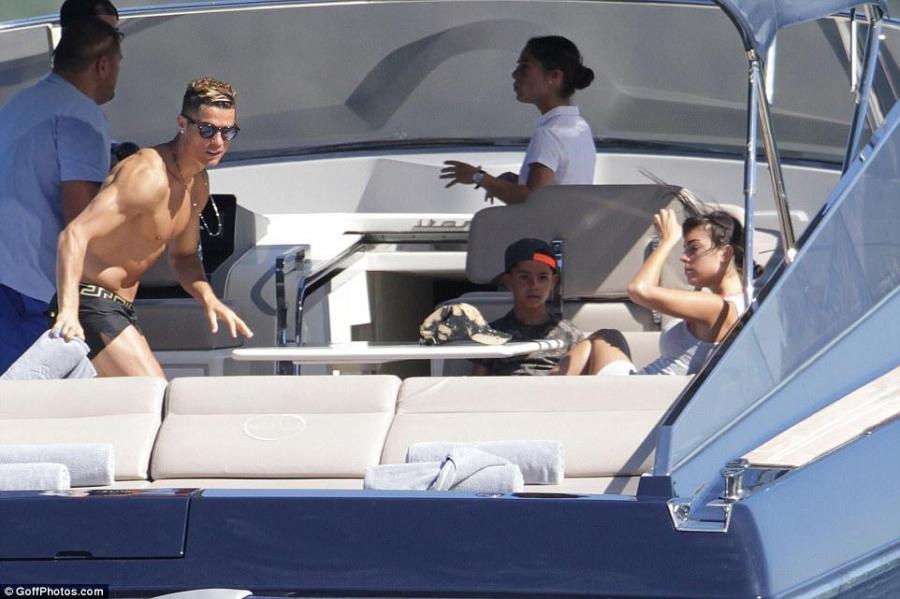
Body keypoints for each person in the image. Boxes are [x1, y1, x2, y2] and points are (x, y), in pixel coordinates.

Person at [52, 78, 253, 376]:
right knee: (155, 391)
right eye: (207, 130)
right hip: (90, 301)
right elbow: (74, 234)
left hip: (121, 308)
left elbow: (184, 257)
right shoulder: (147, 174)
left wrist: (209, 298)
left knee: (134, 399)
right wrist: (68, 310)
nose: (218, 142)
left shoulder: (197, 183)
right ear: (182, 124)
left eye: (228, 132)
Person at [0, 17, 123, 374]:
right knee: (28, 401)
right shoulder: (81, 118)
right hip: (33, 293)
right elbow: (81, 221)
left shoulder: (20, 104)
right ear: (103, 65)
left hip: (6, 278)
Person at [583, 209, 748, 376]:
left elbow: (639, 290)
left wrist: (667, 241)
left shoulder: (719, 308)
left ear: (725, 254)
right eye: (685, 249)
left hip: (645, 390)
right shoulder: (729, 303)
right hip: (645, 384)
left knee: (601, 339)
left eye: (694, 248)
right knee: (606, 337)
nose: (684, 257)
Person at [440, 35, 595, 204]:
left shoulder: (549, 134)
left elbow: (533, 197)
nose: (514, 75)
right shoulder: (581, 127)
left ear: (554, 76)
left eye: (524, 67)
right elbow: (555, 187)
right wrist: (512, 182)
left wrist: (478, 177)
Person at [471, 238, 586, 376]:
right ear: (508, 281)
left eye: (542, 278)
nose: (534, 285)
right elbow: (477, 382)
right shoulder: (491, 333)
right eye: (524, 277)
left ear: (553, 282)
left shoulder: (570, 335)